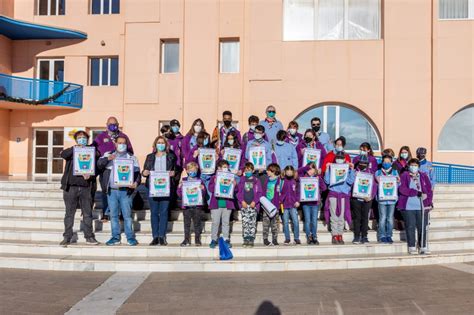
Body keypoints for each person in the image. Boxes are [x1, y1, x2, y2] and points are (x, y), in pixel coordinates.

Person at [98, 136, 141, 246]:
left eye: (124, 143)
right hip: (112, 191)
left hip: (125, 191)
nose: (122, 145)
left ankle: (130, 237)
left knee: (127, 215)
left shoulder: (131, 157)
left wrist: (136, 183)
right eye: (120, 143)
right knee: (113, 216)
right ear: (115, 143)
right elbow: (98, 165)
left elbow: (137, 174)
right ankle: (115, 237)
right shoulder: (108, 155)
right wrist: (108, 159)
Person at [59, 130, 99, 246]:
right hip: (71, 187)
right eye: (80, 138)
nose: (82, 139)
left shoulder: (93, 152)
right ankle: (67, 237)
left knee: (87, 213)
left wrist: (90, 175)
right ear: (76, 140)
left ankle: (89, 237)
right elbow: (63, 154)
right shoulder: (72, 151)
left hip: (86, 187)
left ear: (88, 140)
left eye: (84, 138)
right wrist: (76, 148)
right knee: (69, 214)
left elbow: (96, 165)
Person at [93, 116, 134, 222]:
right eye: (110, 124)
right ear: (106, 125)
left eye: (115, 124)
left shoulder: (123, 136)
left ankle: (120, 213)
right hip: (106, 168)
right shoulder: (100, 137)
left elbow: (130, 151)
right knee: (106, 191)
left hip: (121, 168)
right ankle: (106, 213)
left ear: (118, 124)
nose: (113, 126)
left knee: (121, 190)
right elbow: (93, 149)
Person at [142, 136, 180, 246]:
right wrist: (144, 172)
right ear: (155, 144)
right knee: (154, 212)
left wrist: (174, 173)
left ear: (166, 145)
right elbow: (144, 170)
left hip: (166, 188)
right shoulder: (149, 157)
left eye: (162, 142)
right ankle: (155, 236)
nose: (160, 144)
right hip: (153, 188)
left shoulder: (171, 157)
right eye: (158, 142)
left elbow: (176, 169)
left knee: (163, 212)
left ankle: (162, 236)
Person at [398, 158, 433, 254]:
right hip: (409, 206)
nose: (414, 167)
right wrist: (415, 192)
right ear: (409, 166)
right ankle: (412, 246)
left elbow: (429, 190)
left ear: (418, 166)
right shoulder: (404, 175)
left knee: (422, 226)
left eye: (415, 165)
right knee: (410, 226)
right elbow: (402, 189)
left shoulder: (423, 175)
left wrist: (429, 202)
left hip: (422, 206)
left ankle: (423, 246)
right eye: (412, 165)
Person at [324, 151, 355, 245]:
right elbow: (327, 180)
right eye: (338, 157)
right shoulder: (332, 167)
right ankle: (334, 235)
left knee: (341, 216)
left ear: (345, 159)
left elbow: (351, 181)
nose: (339, 159)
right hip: (333, 194)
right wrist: (327, 168)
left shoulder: (347, 168)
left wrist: (352, 169)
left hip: (343, 195)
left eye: (341, 158)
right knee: (334, 216)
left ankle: (340, 235)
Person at [208, 160, 238, 249]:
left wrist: (235, 185)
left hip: (227, 204)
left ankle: (226, 238)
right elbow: (210, 189)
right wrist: (216, 181)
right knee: (215, 222)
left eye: (226, 167)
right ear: (219, 168)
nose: (226, 168)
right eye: (224, 167)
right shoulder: (213, 177)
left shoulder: (231, 177)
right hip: (216, 204)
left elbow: (236, 191)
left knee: (226, 222)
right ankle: (214, 239)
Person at [177, 162, 206, 247]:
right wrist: (179, 187)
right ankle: (186, 239)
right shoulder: (184, 180)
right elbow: (179, 194)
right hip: (186, 206)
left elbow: (203, 194)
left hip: (197, 206)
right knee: (186, 224)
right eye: (190, 170)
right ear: (187, 170)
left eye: (194, 170)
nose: (192, 172)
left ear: (197, 171)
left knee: (197, 223)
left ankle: (197, 239)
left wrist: (203, 189)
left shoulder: (200, 181)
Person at [350, 155, 377, 245]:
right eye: (361, 163)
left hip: (367, 199)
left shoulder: (370, 173)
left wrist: (371, 196)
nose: (362, 164)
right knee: (357, 218)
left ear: (367, 164)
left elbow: (374, 186)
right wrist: (354, 176)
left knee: (365, 218)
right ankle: (357, 236)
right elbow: (350, 183)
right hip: (356, 198)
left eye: (364, 163)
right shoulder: (354, 172)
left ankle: (364, 236)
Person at [298, 162, 326, 245]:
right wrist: (305, 167)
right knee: (307, 220)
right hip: (306, 203)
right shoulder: (302, 178)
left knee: (314, 221)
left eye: (312, 169)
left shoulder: (318, 178)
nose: (310, 171)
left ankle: (314, 236)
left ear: (315, 170)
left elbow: (324, 188)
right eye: (308, 169)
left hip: (315, 203)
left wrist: (319, 181)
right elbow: (298, 172)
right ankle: (308, 236)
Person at [236, 162, 263, 247]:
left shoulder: (256, 180)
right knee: (245, 222)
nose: (247, 171)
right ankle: (245, 238)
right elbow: (238, 192)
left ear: (253, 170)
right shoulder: (242, 180)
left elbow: (259, 193)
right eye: (246, 170)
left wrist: (255, 202)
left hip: (253, 205)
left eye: (249, 170)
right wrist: (242, 201)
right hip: (244, 205)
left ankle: (251, 239)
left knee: (252, 222)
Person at [375, 155, 399, 244]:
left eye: (388, 162)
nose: (386, 163)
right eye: (384, 162)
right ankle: (382, 235)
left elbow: (398, 185)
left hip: (392, 199)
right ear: (382, 162)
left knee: (390, 218)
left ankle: (389, 235)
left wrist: (398, 181)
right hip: (382, 199)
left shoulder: (395, 172)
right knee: (382, 218)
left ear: (391, 163)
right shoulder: (377, 172)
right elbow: (377, 183)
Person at [280, 165, 301, 245]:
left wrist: (298, 201)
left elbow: (298, 192)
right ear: (285, 172)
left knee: (295, 221)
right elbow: (280, 192)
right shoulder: (282, 181)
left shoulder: (295, 181)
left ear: (293, 172)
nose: (289, 173)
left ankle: (296, 238)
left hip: (293, 205)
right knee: (285, 222)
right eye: (287, 171)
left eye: (290, 172)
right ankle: (287, 238)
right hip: (284, 205)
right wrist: (280, 201)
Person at [261, 163, 281, 246]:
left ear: (273, 171)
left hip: (275, 205)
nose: (267, 171)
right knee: (266, 223)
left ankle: (275, 239)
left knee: (274, 223)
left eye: (268, 170)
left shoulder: (279, 181)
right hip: (266, 205)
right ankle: (265, 239)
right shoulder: (266, 180)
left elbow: (281, 193)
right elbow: (263, 191)